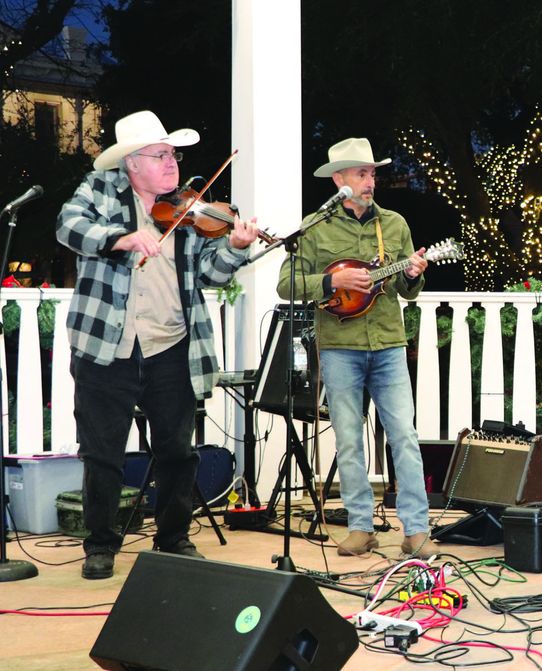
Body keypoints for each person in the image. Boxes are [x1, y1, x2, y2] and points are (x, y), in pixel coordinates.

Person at [57, 110, 260, 579]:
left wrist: (235, 247)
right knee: (102, 451)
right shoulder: (100, 190)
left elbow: (210, 272)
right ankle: (101, 545)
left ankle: (174, 538)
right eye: (161, 154)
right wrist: (122, 238)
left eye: (173, 154)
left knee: (176, 450)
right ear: (132, 163)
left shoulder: (186, 209)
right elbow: (68, 227)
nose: (172, 163)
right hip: (109, 344)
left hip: (171, 345)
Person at [277, 137, 437, 559]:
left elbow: (408, 291)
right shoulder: (315, 226)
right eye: (362, 174)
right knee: (349, 439)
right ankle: (360, 527)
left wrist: (415, 272)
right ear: (339, 180)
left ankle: (416, 530)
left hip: (387, 343)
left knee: (404, 435)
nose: (370, 181)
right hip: (339, 346)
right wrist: (333, 282)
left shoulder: (395, 224)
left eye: (372, 174)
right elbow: (285, 283)